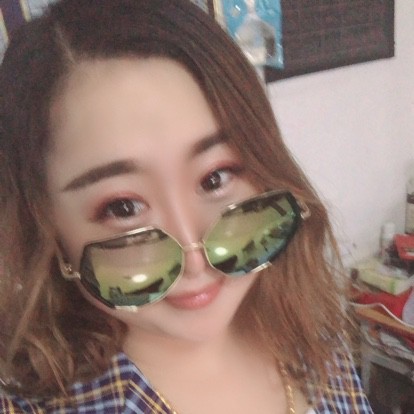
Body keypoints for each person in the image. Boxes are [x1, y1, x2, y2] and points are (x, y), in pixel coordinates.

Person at [0, 0, 372, 413]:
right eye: (123, 207)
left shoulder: (311, 332)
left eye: (215, 178)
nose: (195, 259)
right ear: (46, 225)